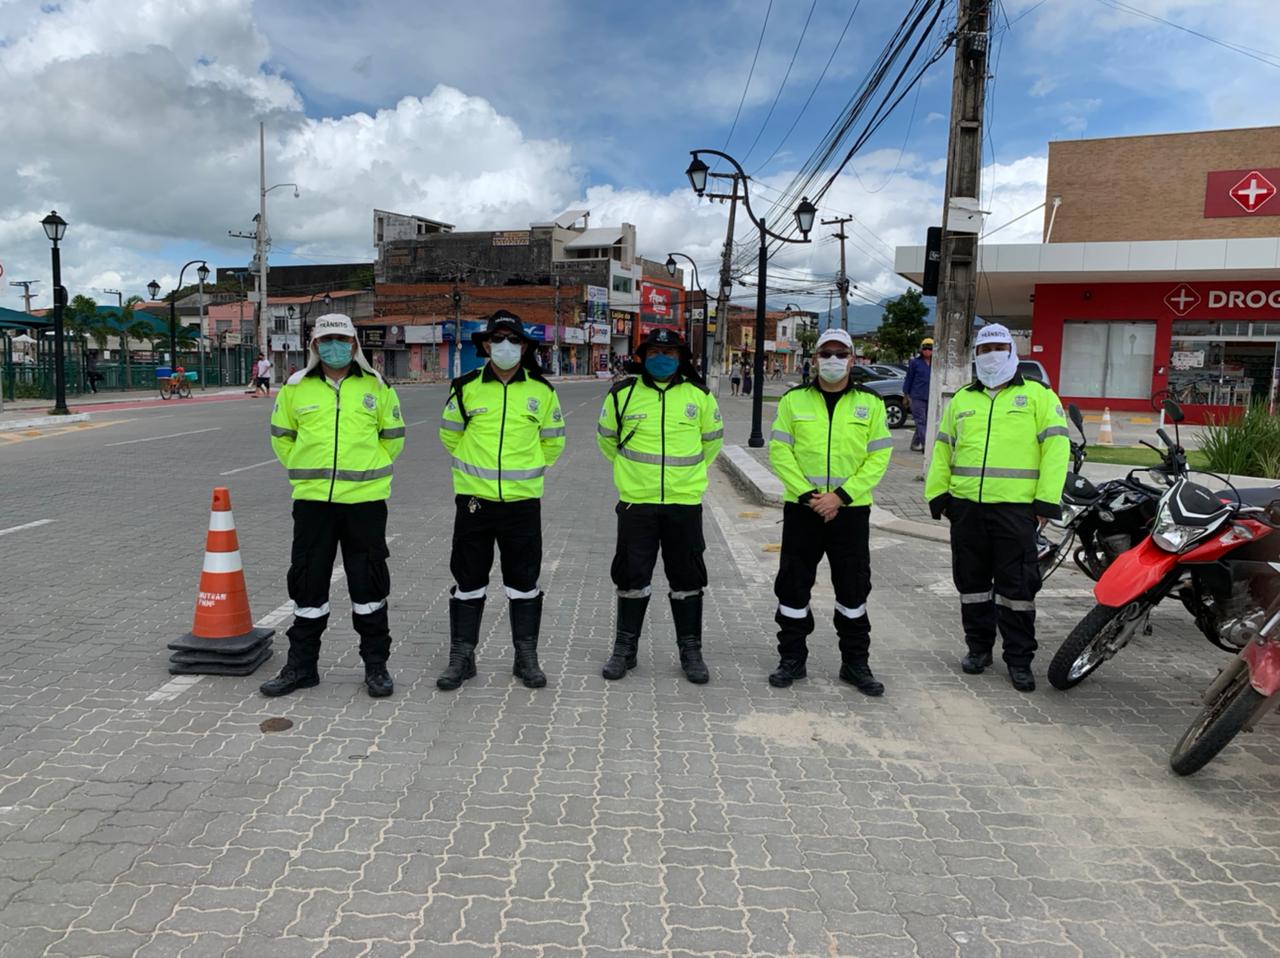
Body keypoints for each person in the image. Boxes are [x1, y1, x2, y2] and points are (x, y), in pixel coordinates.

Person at [261, 313, 405, 698]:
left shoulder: (376, 386)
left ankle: (376, 667)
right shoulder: (295, 388)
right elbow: (281, 437)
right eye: (326, 341)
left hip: (365, 504)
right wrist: (304, 469)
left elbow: (392, 438)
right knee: (308, 585)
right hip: (313, 505)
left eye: (342, 340)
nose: (335, 347)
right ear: (314, 346)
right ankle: (302, 667)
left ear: (355, 345)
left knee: (369, 585)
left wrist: (368, 471)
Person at [924, 323, 1070, 693]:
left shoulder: (1038, 396)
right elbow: (943, 449)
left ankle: (1019, 660)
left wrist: (1045, 501)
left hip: (1017, 511)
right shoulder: (962, 400)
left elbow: (1056, 450)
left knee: (1017, 589)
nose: (991, 354)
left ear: (1011, 350)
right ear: (976, 354)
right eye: (985, 348)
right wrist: (939, 494)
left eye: (998, 347)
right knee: (971, 584)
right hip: (967, 508)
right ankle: (978, 649)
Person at [437, 310, 566, 692]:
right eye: (498, 339)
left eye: (513, 340)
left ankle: (525, 657)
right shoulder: (465, 387)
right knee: (468, 578)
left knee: (524, 581)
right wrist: (474, 471)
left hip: (522, 503)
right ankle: (462, 657)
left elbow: (553, 441)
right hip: (475, 501)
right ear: (487, 346)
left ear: (524, 347)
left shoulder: (542, 392)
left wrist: (527, 470)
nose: (505, 346)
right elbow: (450, 436)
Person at [767, 329, 894, 695]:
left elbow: (879, 456)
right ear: (815, 359)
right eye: (826, 353)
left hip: (850, 512)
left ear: (853, 360)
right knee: (793, 587)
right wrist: (810, 495)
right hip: (802, 509)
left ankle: (855, 664)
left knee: (853, 589)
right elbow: (779, 452)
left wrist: (840, 496)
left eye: (841, 354)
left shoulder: (870, 403)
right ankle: (792, 659)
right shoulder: (794, 401)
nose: (833, 360)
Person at [596, 328, 723, 684]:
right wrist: (634, 474)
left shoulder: (698, 395)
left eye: (669, 352)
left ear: (682, 357)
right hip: (638, 502)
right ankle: (625, 648)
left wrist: (684, 478)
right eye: (654, 352)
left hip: (684, 503)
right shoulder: (623, 394)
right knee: (631, 575)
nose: (661, 358)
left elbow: (711, 443)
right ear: (642, 356)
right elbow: (608, 441)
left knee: (687, 576)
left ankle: (691, 650)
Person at [903, 338, 933, 452]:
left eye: (930, 348)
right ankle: (926, 445)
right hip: (916, 396)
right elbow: (909, 379)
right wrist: (905, 395)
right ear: (921, 349)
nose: (927, 351)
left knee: (926, 422)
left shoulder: (936, 363)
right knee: (920, 421)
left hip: (930, 396)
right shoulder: (915, 362)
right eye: (925, 348)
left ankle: (915, 443)